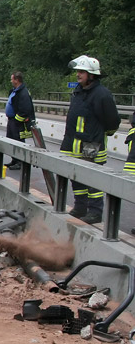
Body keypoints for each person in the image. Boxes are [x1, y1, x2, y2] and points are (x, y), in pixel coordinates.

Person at [61, 55, 120, 225]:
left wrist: (101, 135)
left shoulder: (101, 94)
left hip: (91, 144)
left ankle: (95, 212)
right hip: (74, 144)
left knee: (93, 179)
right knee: (76, 176)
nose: (78, 74)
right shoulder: (79, 91)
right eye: (78, 71)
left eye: (82, 72)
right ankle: (80, 207)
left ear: (92, 75)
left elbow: (112, 121)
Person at [5, 71, 36, 170]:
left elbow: (25, 110)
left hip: (18, 123)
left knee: (18, 142)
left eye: (12, 79)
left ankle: (19, 162)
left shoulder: (23, 93)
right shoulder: (14, 91)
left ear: (17, 80)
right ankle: (14, 160)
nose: (11, 81)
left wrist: (17, 121)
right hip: (12, 121)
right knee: (11, 140)